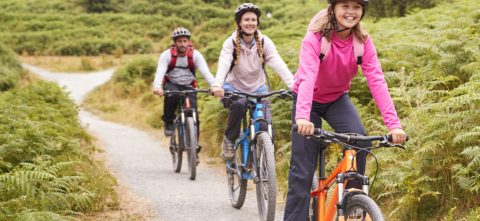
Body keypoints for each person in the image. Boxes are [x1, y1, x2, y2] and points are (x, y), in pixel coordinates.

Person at [284, 0, 407, 220]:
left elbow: (377, 81)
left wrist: (394, 125)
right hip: (308, 100)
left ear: (363, 11)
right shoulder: (315, 38)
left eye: (357, 7)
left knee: (360, 140)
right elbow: (308, 76)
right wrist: (302, 117)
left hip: (336, 98)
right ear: (333, 8)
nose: (351, 12)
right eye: (345, 6)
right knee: (302, 172)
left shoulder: (362, 42)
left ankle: (353, 202)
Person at [211, 3, 294, 160]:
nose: (250, 23)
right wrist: (217, 84)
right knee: (240, 104)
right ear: (239, 23)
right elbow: (223, 63)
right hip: (234, 87)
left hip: (258, 88)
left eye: (253, 20)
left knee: (264, 125)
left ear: (258, 22)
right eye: (246, 19)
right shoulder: (231, 43)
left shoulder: (264, 42)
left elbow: (278, 63)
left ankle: (263, 162)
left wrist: (294, 85)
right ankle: (229, 139)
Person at [153, 27, 214, 137]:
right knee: (171, 96)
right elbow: (160, 72)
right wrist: (157, 87)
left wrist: (214, 86)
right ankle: (168, 122)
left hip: (188, 85)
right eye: (179, 41)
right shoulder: (166, 55)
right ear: (175, 43)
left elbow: (206, 73)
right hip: (172, 83)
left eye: (185, 41)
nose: (182, 44)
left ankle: (194, 147)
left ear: (188, 42)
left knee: (194, 114)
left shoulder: (196, 55)